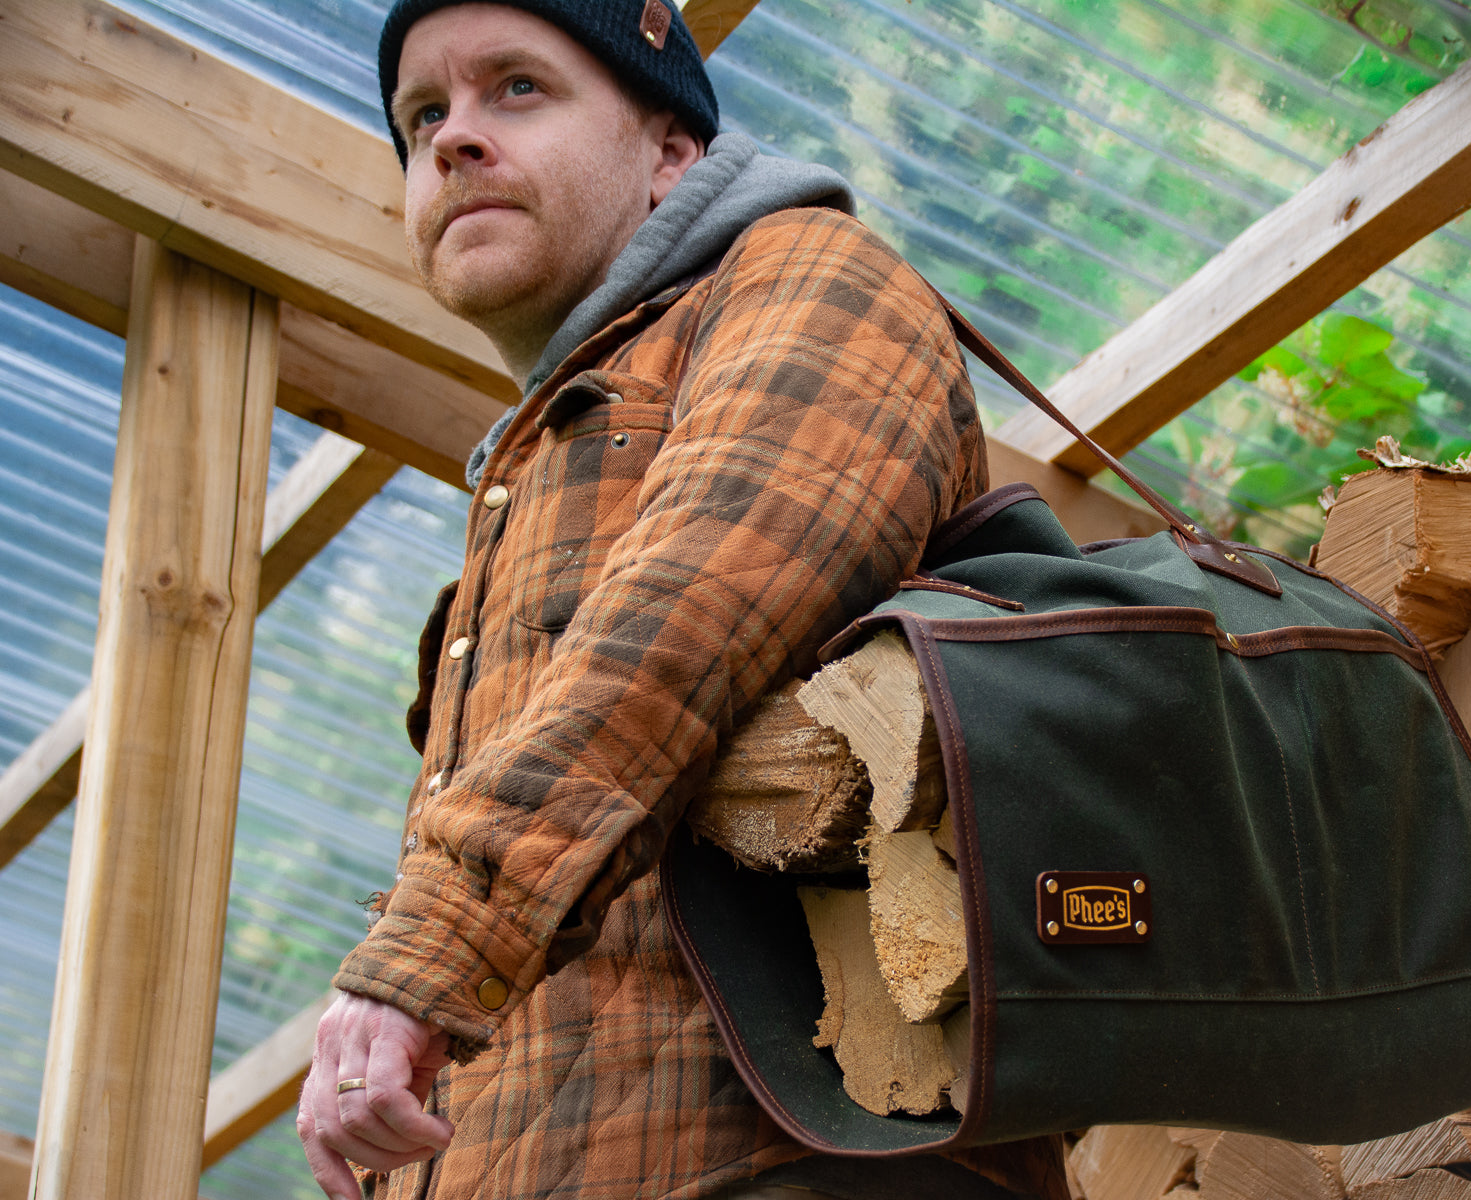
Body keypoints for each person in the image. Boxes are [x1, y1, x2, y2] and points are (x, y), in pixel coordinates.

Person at [296, 3, 1069, 1197]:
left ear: (671, 154)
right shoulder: (528, 476)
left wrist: (426, 953)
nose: (451, 138)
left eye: (516, 89)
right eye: (420, 116)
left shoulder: (807, 272)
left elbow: (695, 606)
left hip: (792, 1163)